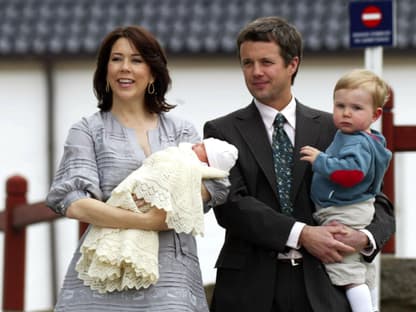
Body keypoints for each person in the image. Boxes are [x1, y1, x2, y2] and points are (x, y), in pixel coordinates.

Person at [203, 16, 395, 312]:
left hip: (325, 287)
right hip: (248, 290)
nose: (255, 72)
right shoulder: (221, 131)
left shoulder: (336, 129)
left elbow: (376, 199)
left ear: (293, 64)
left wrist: (364, 238)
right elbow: (231, 206)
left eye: (266, 62)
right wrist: (302, 234)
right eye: (247, 63)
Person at [46, 25, 229, 312]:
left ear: (154, 72)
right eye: (116, 59)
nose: (124, 68)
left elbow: (214, 187)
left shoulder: (181, 131)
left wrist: (181, 198)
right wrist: (147, 221)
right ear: (105, 70)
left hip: (172, 277)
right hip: (105, 271)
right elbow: (71, 200)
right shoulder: (87, 130)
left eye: (136, 60)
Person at [76, 138, 238, 294]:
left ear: (208, 161)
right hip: (131, 192)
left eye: (203, 147)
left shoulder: (196, 167)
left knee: (131, 239)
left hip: (158, 225)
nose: (197, 145)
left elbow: (212, 187)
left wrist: (154, 201)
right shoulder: (179, 152)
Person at [300, 69, 392, 312]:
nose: (346, 113)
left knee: (346, 271)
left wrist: (321, 161)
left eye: (356, 108)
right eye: (340, 105)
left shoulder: (356, 141)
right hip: (354, 207)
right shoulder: (371, 138)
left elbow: (351, 174)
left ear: (375, 114)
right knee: (360, 267)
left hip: (343, 210)